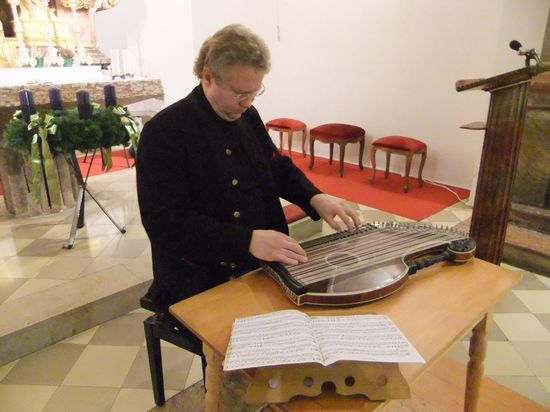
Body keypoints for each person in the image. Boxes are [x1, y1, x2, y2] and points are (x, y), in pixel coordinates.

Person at [136, 23, 360, 320]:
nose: (248, 103)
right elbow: (166, 223)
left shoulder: (247, 115)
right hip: (203, 276)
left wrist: (316, 198)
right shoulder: (164, 132)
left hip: (263, 264)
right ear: (208, 77)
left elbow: (275, 166)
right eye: (240, 94)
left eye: (255, 92)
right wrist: (247, 241)